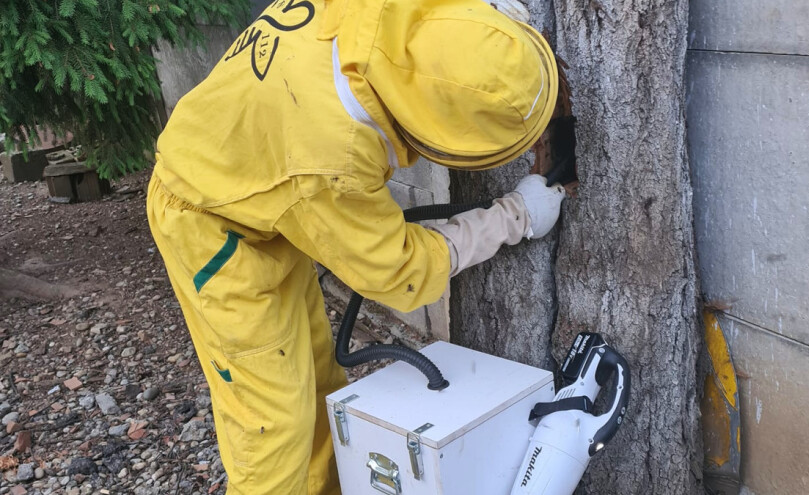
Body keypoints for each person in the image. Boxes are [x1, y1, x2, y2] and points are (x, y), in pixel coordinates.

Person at [146, 0, 565, 493]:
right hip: (212, 219)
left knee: (319, 379)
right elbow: (399, 270)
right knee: (272, 423)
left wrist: (494, 32)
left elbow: (451, 36)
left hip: (255, 179)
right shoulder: (333, 161)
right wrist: (511, 218)